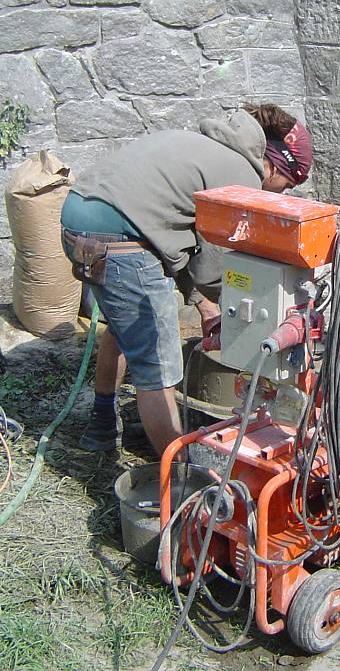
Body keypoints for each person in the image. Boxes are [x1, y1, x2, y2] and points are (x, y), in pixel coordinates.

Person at [60, 103, 313, 454]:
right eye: (285, 185)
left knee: (122, 330)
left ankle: (102, 425)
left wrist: (203, 305)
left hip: (79, 219)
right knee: (159, 368)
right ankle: (179, 482)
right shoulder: (240, 175)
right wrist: (230, 308)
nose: (279, 195)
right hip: (121, 240)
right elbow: (211, 266)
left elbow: (174, 243)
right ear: (273, 164)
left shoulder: (204, 144)